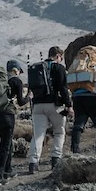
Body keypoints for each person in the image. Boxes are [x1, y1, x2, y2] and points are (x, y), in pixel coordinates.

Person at [27, 46, 72, 174]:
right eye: (61, 58)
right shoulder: (59, 68)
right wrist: (69, 105)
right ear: (58, 56)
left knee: (38, 135)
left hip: (37, 106)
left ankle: (33, 163)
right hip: (54, 105)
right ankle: (55, 160)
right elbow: (63, 88)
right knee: (59, 132)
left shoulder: (36, 68)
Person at [0, 61, 28, 187]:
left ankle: (7, 171)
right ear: (15, 70)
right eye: (19, 71)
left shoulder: (0, 81)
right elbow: (21, 102)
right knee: (5, 145)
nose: (19, 74)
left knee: (7, 142)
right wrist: (29, 97)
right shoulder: (16, 82)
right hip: (7, 115)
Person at [68, 47, 96, 155]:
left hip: (77, 96)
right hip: (92, 95)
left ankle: (75, 149)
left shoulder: (77, 65)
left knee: (79, 123)